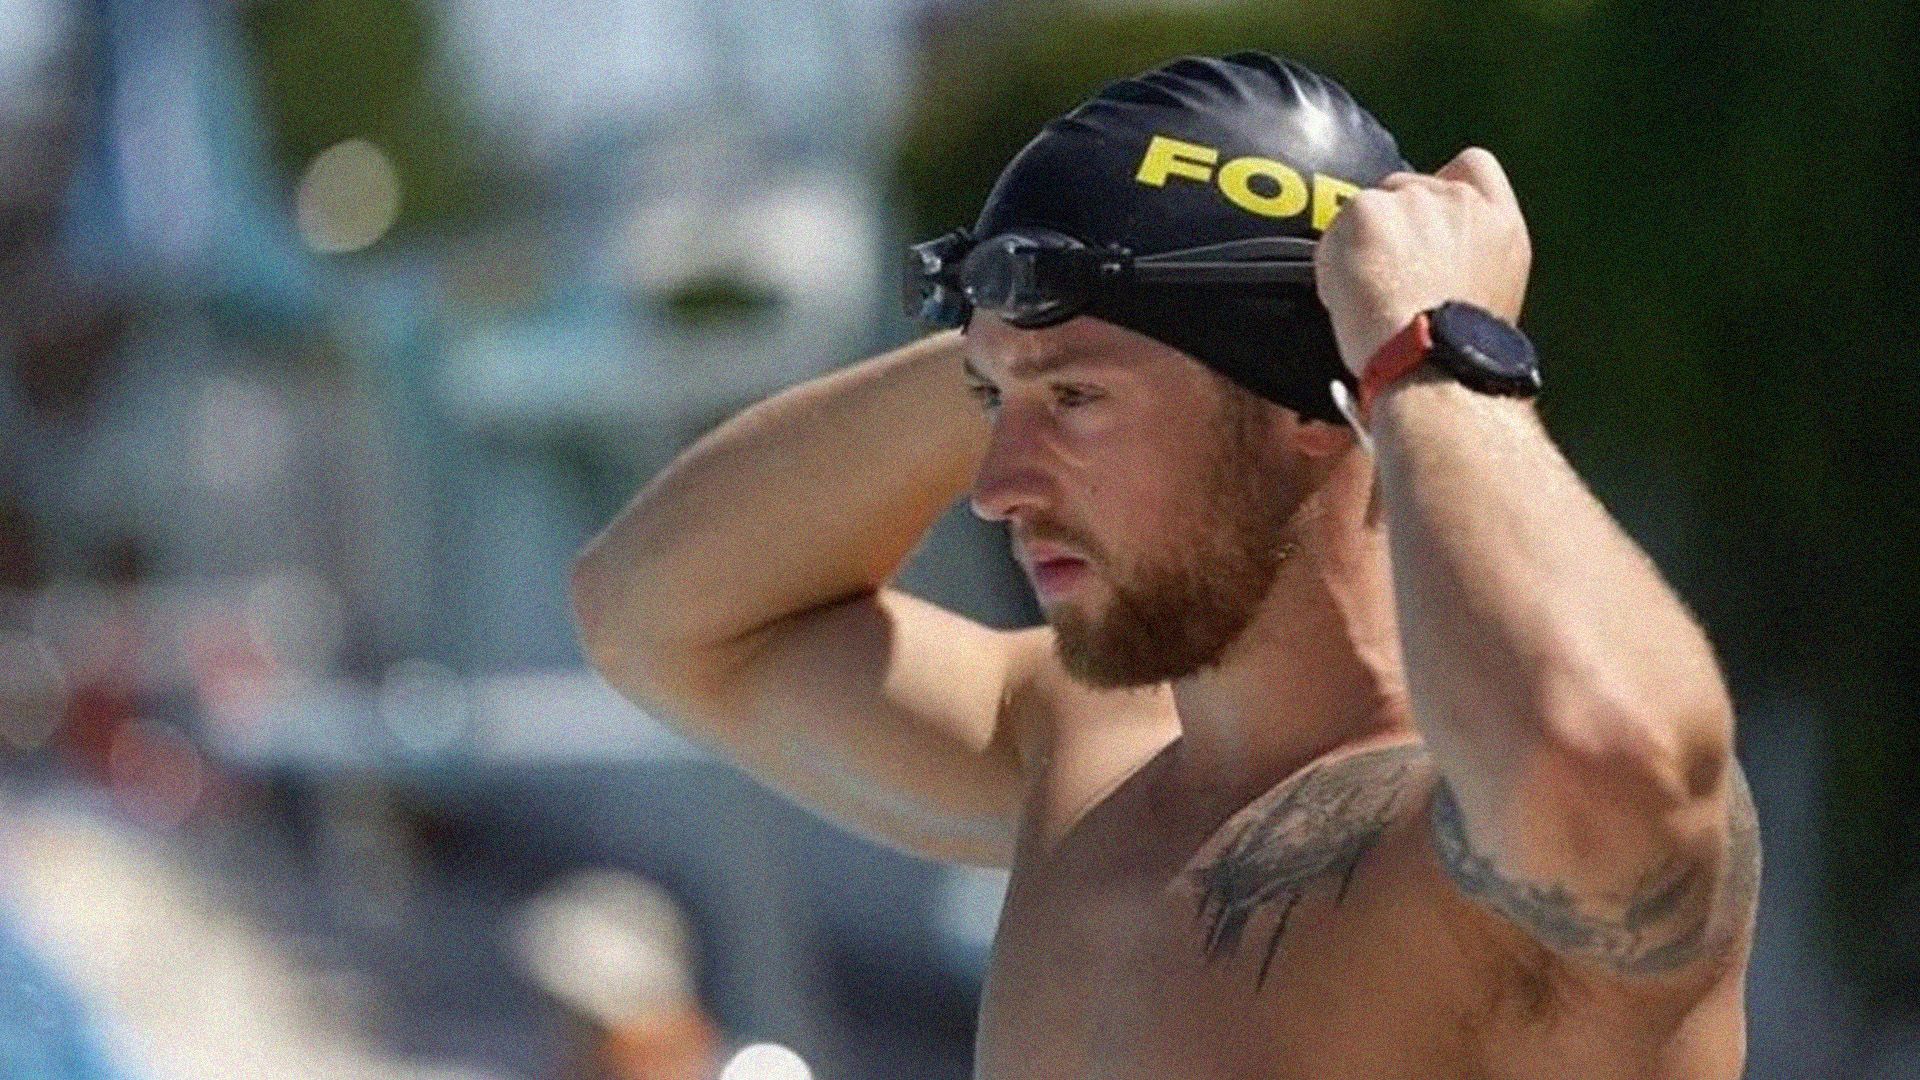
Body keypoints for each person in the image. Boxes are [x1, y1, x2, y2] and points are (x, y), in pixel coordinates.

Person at [571, 53, 1760, 1079]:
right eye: (997, 401)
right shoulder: (1082, 753)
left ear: (1313, 401)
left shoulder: (1469, 854)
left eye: (1078, 400)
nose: (994, 484)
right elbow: (655, 611)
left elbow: (1602, 752)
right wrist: (1025, 334)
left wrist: (1430, 348)